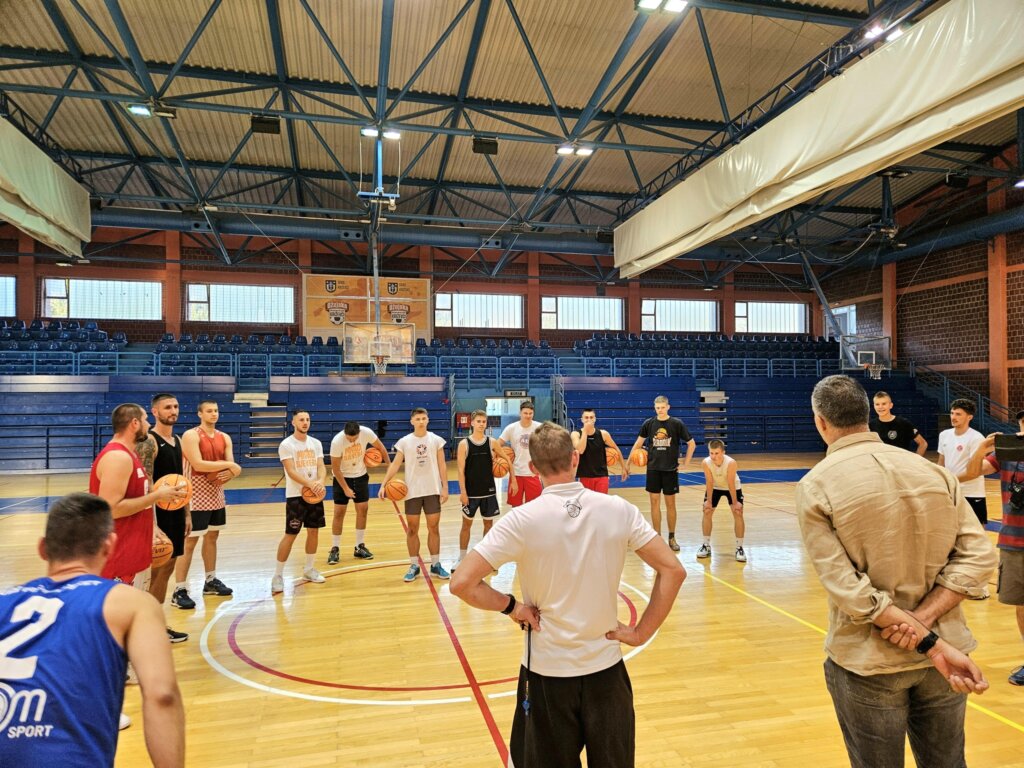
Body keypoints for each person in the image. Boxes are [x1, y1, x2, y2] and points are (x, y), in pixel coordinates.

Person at [450, 422, 685, 768]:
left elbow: (461, 583)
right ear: (575, 458)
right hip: (606, 670)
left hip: (547, 674)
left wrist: (513, 607)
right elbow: (674, 571)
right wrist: (640, 633)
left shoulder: (521, 520)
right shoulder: (618, 509)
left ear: (533, 467)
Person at [796, 375, 997, 768]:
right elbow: (979, 556)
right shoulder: (936, 473)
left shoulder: (816, 485)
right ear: (868, 413)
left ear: (820, 421)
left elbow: (848, 589)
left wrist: (919, 633)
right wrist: (928, 629)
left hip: (871, 661)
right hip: (948, 652)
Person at [0, 493, 184, 767]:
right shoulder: (129, 603)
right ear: (109, 546)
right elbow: (162, 695)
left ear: (42, 548)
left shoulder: (4, 601)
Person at [89, 403, 184, 588]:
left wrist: (151, 526)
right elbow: (112, 509)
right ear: (134, 423)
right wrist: (157, 496)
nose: (148, 424)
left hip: (131, 552)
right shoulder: (118, 457)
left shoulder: (129, 454)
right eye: (145, 420)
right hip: (118, 556)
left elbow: (136, 501)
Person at [964, 408, 1024, 686]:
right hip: (1013, 540)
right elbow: (973, 473)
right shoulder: (1006, 453)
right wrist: (982, 448)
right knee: (1021, 603)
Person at [172, 400, 241, 609]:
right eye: (209, 411)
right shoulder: (191, 435)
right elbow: (198, 464)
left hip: (216, 493)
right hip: (194, 493)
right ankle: (179, 589)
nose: (214, 414)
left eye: (216, 410)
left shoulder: (224, 437)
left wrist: (230, 471)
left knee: (212, 537)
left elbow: (231, 469)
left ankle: (210, 580)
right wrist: (231, 466)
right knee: (189, 541)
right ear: (200, 414)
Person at [377, 407, 450, 583]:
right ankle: (414, 565)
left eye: (424, 418)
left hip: (432, 490)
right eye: (417, 419)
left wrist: (445, 487)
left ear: (428, 420)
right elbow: (395, 465)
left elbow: (442, 465)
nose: (421, 421)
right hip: (412, 491)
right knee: (412, 529)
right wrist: (384, 484)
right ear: (412, 421)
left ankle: (435, 564)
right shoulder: (404, 441)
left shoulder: (436, 440)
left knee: (434, 528)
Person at [142, 393, 191, 643]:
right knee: (154, 570)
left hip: (176, 512)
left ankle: (156, 622)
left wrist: (187, 512)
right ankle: (145, 626)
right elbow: (146, 483)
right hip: (157, 514)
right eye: (167, 407)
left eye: (176, 406)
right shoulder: (149, 441)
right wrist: (152, 524)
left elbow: (181, 480)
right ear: (155, 412)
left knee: (168, 568)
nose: (173, 411)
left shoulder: (177, 440)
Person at [628, 395, 695, 552]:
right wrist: (628, 462)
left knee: (671, 504)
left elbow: (691, 444)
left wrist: (686, 463)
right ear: (654, 408)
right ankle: (657, 537)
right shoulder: (649, 423)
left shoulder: (676, 423)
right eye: (658, 408)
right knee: (654, 503)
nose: (660, 410)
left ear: (668, 407)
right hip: (653, 469)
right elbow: (638, 444)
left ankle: (672, 537)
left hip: (670, 469)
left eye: (663, 407)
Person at [273, 409, 328, 593]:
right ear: (293, 423)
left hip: (314, 495)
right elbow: (291, 471)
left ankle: (309, 569)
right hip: (296, 496)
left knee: (313, 531)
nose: (305, 422)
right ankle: (278, 575)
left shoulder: (316, 443)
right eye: (301, 420)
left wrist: (320, 482)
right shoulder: (287, 444)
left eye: (307, 419)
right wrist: (311, 484)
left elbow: (321, 466)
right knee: (291, 534)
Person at [327, 420, 391, 564]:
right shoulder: (337, 441)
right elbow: (335, 469)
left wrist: (389, 465)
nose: (352, 441)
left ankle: (359, 546)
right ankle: (335, 548)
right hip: (342, 477)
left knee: (363, 510)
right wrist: (346, 488)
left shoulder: (366, 432)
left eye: (354, 438)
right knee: (339, 513)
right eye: (349, 439)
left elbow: (381, 447)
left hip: (361, 476)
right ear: (344, 433)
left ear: (359, 433)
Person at [455, 410, 507, 570]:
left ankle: (487, 558)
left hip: (489, 491)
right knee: (466, 525)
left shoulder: (492, 442)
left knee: (489, 525)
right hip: (471, 493)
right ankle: (461, 558)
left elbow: (506, 458)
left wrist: (512, 477)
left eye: (484, 421)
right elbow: (460, 471)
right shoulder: (464, 444)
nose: (481, 424)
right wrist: (463, 492)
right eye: (478, 421)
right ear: (472, 423)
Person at [937, 398, 988, 526]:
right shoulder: (944, 435)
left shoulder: (977, 438)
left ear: (969, 417)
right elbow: (941, 463)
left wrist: (950, 480)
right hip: (950, 492)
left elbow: (974, 471)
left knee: (977, 532)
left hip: (971, 492)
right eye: (952, 413)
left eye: (958, 414)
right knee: (949, 530)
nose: (953, 417)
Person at [699, 439, 746, 562]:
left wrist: (735, 503)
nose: (713, 456)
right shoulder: (706, 462)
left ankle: (739, 547)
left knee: (738, 513)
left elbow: (730, 483)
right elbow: (709, 482)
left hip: (732, 487)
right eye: (711, 453)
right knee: (707, 511)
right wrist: (709, 501)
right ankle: (706, 545)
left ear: (723, 452)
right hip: (715, 487)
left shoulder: (731, 463)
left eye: (717, 453)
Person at [570, 408, 629, 493]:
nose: (589, 420)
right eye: (586, 417)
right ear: (582, 419)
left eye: (591, 417)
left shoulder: (603, 434)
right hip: (584, 476)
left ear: (595, 419)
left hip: (602, 476)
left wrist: (623, 467)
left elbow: (616, 449)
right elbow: (580, 450)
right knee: (587, 502)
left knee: (602, 501)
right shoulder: (575, 434)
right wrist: (585, 431)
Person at [498, 401, 542, 508]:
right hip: (516, 473)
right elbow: (497, 444)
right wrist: (504, 457)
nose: (528, 416)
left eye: (530, 413)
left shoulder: (539, 427)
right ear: (520, 413)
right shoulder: (511, 428)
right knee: (515, 507)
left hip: (534, 473)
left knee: (534, 507)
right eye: (525, 413)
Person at [870, 391, 927, 455]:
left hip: (901, 461)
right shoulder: (871, 425)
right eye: (877, 404)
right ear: (874, 406)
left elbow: (923, 443)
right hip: (881, 461)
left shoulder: (903, 423)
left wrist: (915, 460)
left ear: (891, 405)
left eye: (884, 404)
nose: (880, 407)